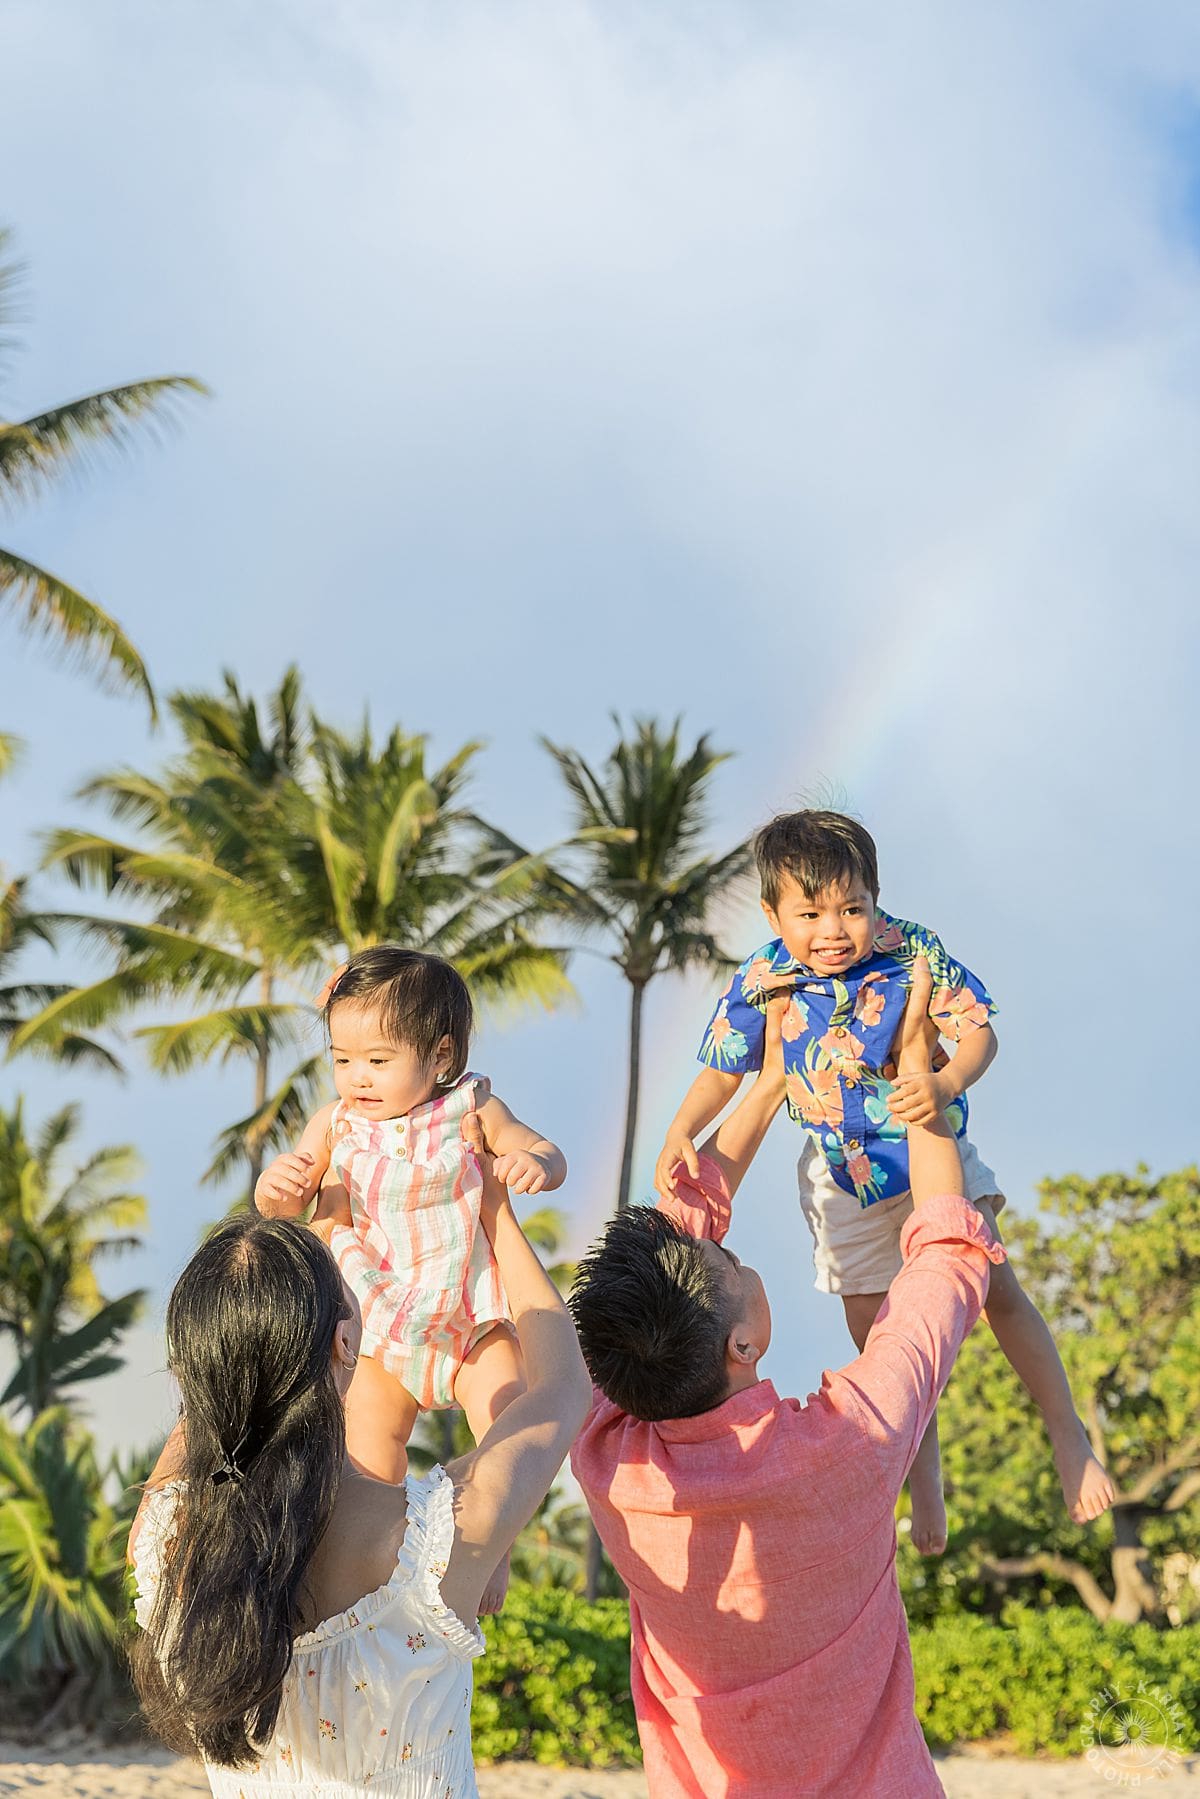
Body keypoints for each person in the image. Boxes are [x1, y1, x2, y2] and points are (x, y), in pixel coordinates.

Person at [571, 959, 1004, 1796]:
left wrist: (768, 1080)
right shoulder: (851, 1444)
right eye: (729, 1259)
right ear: (743, 1343)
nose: (732, 1246)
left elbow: (646, 1278)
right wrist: (917, 1064)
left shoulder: (607, 1460)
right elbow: (947, 1260)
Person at [653, 808, 1112, 1545]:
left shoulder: (911, 951)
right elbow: (721, 1069)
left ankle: (1068, 1433)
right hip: (843, 1181)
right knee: (890, 1347)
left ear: (874, 896)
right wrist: (682, 1127)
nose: (833, 929)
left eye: (851, 908)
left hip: (933, 1153)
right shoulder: (764, 976)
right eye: (809, 913)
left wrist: (947, 1080)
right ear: (773, 913)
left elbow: (980, 1030)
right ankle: (924, 1487)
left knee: (999, 1291)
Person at [129, 1139, 590, 1797]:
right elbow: (564, 1387)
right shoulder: (426, 1543)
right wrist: (495, 1214)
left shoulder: (165, 1545)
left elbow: (220, 1390)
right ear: (347, 1342)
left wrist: (268, 1264)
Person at [255, 946, 566, 1606]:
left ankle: (490, 1553)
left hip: (466, 1314)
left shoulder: (472, 1106)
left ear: (442, 1056)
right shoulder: (335, 1124)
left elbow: (542, 1147)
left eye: (378, 1059)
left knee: (510, 1417)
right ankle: (369, 1564)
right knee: (368, 1451)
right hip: (379, 1322)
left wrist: (534, 1162)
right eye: (342, 1059)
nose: (357, 1077)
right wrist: (277, 1188)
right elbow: (290, 1198)